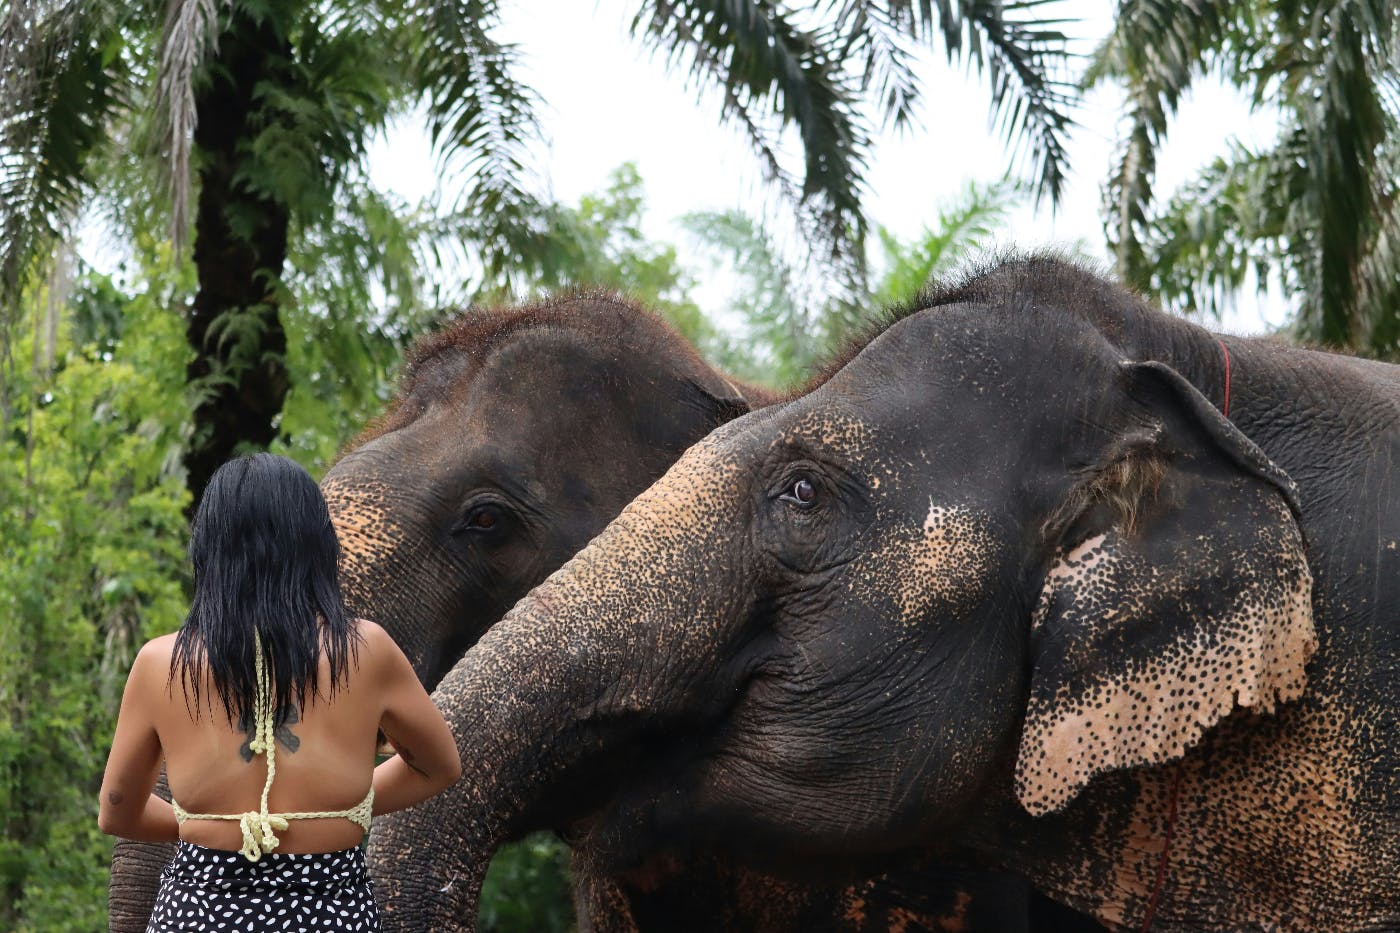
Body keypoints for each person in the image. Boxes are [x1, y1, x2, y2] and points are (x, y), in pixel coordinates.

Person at [99, 453, 462, 931]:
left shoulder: (161, 663)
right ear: (317, 545)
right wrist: (341, 806)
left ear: (209, 549)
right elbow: (439, 767)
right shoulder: (366, 650)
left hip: (201, 912)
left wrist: (207, 822)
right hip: (332, 911)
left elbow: (118, 811)